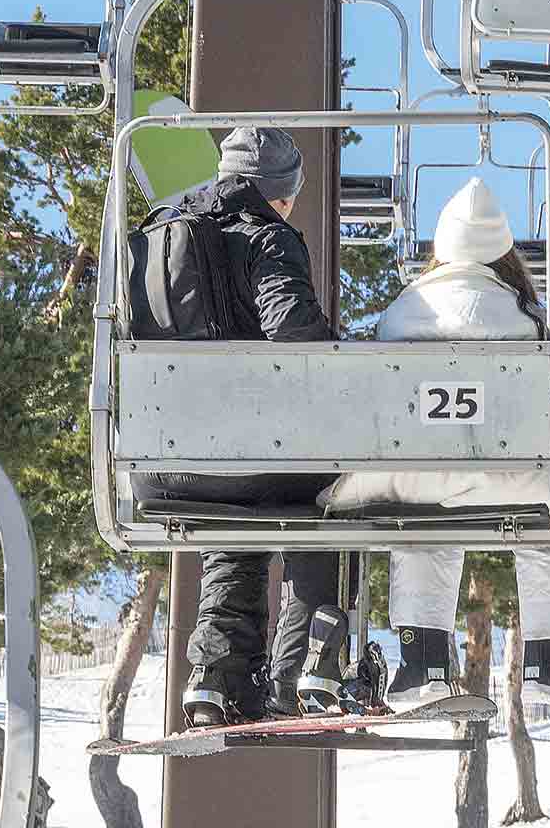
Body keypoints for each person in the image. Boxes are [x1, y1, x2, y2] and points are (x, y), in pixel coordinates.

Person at [315, 178, 550, 707]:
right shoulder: (524, 318)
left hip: (408, 473)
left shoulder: (402, 312)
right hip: (507, 475)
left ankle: (421, 660)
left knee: (423, 522)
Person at [130, 126, 343, 726]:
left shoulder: (158, 232)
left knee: (235, 525)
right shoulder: (267, 236)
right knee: (324, 502)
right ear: (280, 189)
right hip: (249, 457)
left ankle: (216, 678)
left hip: (164, 465)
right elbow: (293, 331)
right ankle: (308, 670)